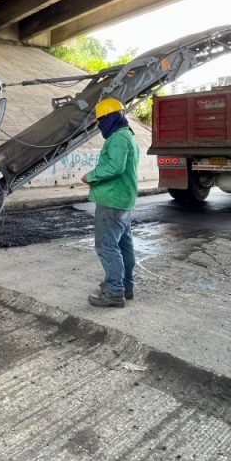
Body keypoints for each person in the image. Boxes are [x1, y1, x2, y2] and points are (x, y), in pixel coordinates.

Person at [81, 98, 139, 308]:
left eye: (101, 120)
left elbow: (115, 167)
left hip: (112, 201)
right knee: (124, 245)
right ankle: (126, 286)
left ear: (110, 118)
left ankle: (114, 292)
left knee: (107, 246)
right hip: (124, 200)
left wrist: (91, 176)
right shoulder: (128, 136)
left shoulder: (117, 138)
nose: (99, 125)